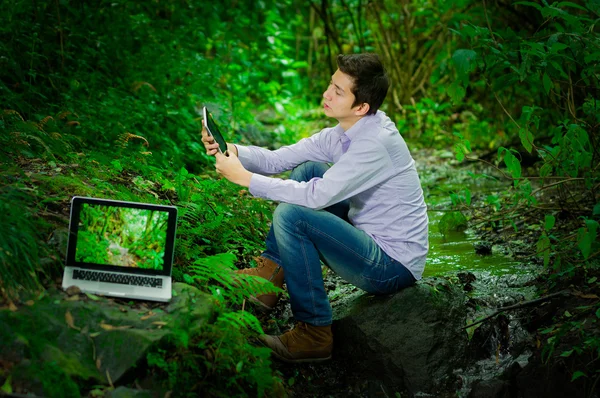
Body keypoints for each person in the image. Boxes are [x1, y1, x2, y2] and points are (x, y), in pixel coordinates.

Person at [201, 53, 428, 363]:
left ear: (361, 107)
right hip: (367, 236)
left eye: (338, 90)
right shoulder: (345, 132)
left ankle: (314, 332)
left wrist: (245, 179)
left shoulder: (375, 143)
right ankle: (268, 278)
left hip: (392, 265)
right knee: (308, 170)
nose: (326, 94)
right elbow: (278, 159)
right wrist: (231, 149)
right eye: (330, 84)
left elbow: (316, 198)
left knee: (292, 215)